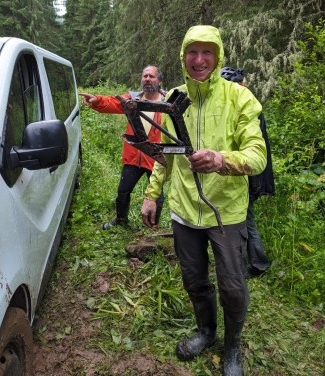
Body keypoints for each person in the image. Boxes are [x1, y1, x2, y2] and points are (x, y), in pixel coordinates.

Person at [141, 26, 267, 376]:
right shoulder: (175, 98)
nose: (199, 60)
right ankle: (206, 332)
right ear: (183, 57)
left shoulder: (238, 97)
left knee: (233, 286)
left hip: (225, 213)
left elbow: (258, 156)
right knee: (194, 279)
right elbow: (164, 154)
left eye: (207, 52)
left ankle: (232, 347)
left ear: (218, 56)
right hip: (183, 211)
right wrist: (152, 195)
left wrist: (222, 160)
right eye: (192, 52)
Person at [79, 65, 166, 230]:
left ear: (159, 81)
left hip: (155, 157)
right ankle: (121, 220)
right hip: (134, 155)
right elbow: (112, 102)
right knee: (123, 190)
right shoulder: (132, 100)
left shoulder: (167, 103)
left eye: (152, 76)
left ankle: (154, 226)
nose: (147, 79)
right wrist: (97, 99)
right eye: (145, 76)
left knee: (157, 195)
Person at [220, 67, 275, 278]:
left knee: (245, 222)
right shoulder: (247, 103)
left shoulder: (246, 105)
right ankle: (253, 263)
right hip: (252, 175)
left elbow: (254, 150)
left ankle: (256, 264)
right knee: (245, 221)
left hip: (250, 176)